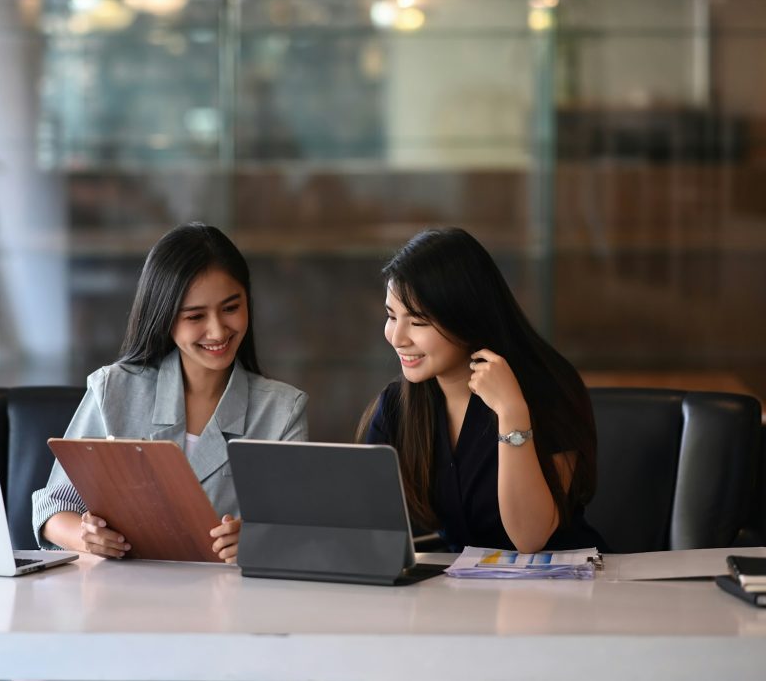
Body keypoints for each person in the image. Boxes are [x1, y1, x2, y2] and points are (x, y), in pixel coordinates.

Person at [32, 222, 308, 562]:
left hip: (228, 605)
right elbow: (54, 507)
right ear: (164, 317)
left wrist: (259, 540)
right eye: (195, 316)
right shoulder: (114, 389)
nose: (218, 330)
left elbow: (299, 529)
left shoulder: (282, 410)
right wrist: (86, 537)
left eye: (231, 308)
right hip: (124, 600)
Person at [358, 227, 607, 553]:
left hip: (562, 589)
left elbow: (530, 538)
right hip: (458, 593)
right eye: (392, 316)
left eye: (418, 322)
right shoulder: (398, 406)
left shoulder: (547, 389)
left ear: (465, 317)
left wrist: (512, 413)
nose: (397, 337)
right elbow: (363, 524)